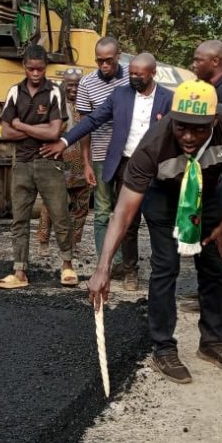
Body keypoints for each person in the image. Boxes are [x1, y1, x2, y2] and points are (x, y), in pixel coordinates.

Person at [88, 80, 222, 381]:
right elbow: (123, 211)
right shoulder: (152, 146)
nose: (189, 137)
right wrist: (103, 266)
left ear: (214, 121)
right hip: (163, 198)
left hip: (209, 195)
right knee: (166, 268)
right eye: (181, 127)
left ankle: (212, 343)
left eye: (199, 129)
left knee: (215, 267)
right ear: (169, 119)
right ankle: (163, 348)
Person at [41, 53, 172, 292]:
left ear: (152, 73)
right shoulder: (120, 95)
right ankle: (130, 270)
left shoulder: (168, 98)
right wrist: (64, 140)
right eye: (131, 73)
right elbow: (92, 120)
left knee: (158, 220)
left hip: (157, 168)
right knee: (128, 221)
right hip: (127, 166)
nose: (133, 78)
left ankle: (163, 270)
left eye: (139, 75)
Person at [0, 45, 76, 289]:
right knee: (19, 218)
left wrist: (22, 125)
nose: (35, 73)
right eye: (31, 68)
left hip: (49, 163)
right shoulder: (14, 92)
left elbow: (54, 130)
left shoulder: (54, 92)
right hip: (21, 163)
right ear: (24, 66)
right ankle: (19, 271)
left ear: (45, 68)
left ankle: (67, 265)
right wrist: (35, 130)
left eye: (40, 69)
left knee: (60, 214)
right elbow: (5, 131)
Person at [74, 36, 130, 276]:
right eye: (100, 61)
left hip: (128, 155)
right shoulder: (87, 84)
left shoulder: (132, 77)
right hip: (100, 156)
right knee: (102, 210)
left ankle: (127, 264)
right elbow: (85, 126)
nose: (104, 66)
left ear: (119, 56)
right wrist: (86, 163)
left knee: (126, 210)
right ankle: (106, 263)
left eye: (109, 60)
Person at [37, 68, 92, 252]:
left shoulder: (88, 107)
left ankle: (74, 242)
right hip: (59, 162)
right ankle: (43, 241)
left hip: (82, 165)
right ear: (63, 85)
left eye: (78, 85)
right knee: (50, 205)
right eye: (70, 85)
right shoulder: (55, 106)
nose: (74, 89)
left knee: (81, 207)